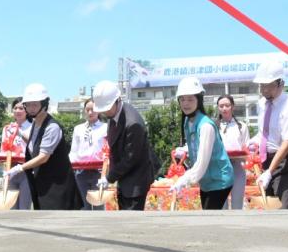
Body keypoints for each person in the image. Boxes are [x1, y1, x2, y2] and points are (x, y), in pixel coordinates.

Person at [4, 83, 81, 210]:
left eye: (35, 104)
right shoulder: (36, 123)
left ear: (44, 104)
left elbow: (43, 157)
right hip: (43, 184)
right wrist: (20, 134)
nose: (31, 108)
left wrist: (19, 168)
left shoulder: (52, 127)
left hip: (58, 187)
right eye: (28, 105)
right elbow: (37, 144)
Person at [249, 59, 288, 209]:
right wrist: (252, 143)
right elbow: (264, 132)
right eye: (262, 86)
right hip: (266, 159)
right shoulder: (262, 104)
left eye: (269, 85)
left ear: (281, 83)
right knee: (268, 205)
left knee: (285, 206)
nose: (265, 90)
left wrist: (270, 171)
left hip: (286, 161)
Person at [170, 77, 233, 209]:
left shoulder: (206, 126)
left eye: (190, 99)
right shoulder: (188, 122)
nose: (185, 103)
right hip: (206, 180)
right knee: (207, 216)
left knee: (209, 217)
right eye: (182, 99)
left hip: (219, 180)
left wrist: (184, 179)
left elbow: (202, 163)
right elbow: (195, 145)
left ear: (199, 100)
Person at [92, 80, 155, 211]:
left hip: (136, 182)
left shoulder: (132, 123)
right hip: (124, 179)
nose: (104, 112)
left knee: (132, 224)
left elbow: (130, 159)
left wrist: (109, 177)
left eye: (106, 108)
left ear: (117, 100)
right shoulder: (113, 115)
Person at [68, 98, 108, 210]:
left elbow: (108, 151)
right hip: (81, 172)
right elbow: (73, 151)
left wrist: (107, 173)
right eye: (87, 109)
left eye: (93, 109)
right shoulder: (78, 129)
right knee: (82, 207)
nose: (90, 112)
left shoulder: (105, 128)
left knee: (98, 206)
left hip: (99, 172)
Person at [0, 97, 33, 210]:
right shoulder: (7, 128)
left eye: (21, 108)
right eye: (15, 108)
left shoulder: (33, 127)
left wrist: (20, 133)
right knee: (11, 205)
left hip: (26, 169)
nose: (17, 111)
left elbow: (34, 146)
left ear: (27, 111)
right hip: (10, 168)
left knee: (24, 206)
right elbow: (3, 148)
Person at [215, 94, 249, 209]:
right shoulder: (213, 127)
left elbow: (246, 148)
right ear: (218, 108)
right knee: (221, 204)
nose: (224, 108)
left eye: (227, 105)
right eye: (221, 106)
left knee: (237, 203)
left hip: (237, 167)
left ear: (232, 107)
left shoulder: (241, 126)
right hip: (219, 168)